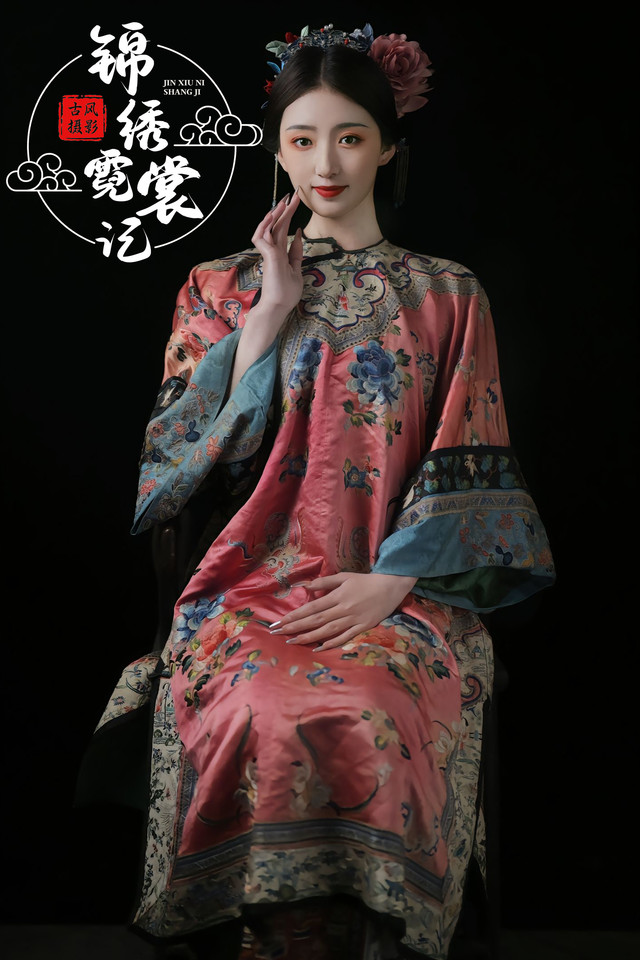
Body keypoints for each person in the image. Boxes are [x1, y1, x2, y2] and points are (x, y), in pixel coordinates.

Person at [95, 22, 555, 960]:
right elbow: (176, 464)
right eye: (302, 139)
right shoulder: (218, 289)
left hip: (399, 590)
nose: (326, 163)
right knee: (261, 705)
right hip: (251, 584)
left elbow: (470, 450)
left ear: (387, 145)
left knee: (374, 710)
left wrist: (394, 580)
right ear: (276, 149)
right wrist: (268, 315)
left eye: (350, 136)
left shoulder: (447, 294)